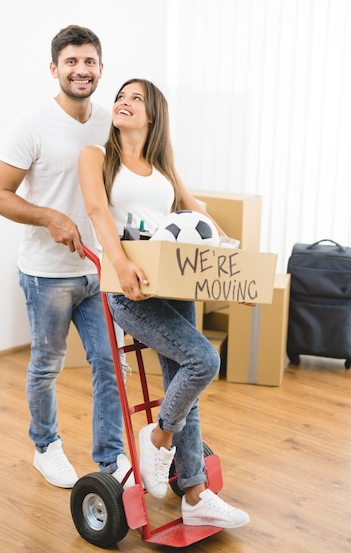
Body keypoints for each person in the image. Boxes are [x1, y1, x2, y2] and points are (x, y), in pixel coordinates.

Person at [78, 78, 250, 528]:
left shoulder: (161, 166)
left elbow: (200, 216)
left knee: (186, 388)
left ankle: (194, 495)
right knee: (203, 361)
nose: (123, 102)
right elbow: (98, 212)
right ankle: (157, 439)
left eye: (136, 98)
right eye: (120, 96)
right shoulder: (95, 157)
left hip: (174, 288)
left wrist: (238, 278)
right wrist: (119, 263)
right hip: (129, 289)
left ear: (153, 114)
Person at [0, 25, 133, 490]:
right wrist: (49, 216)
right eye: (71, 61)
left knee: (111, 363)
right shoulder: (30, 125)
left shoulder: (111, 120)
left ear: (101, 69)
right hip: (47, 274)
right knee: (47, 363)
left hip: (98, 269)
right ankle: (46, 446)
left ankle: (111, 460)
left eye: (89, 61)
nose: (81, 70)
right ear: (55, 69)